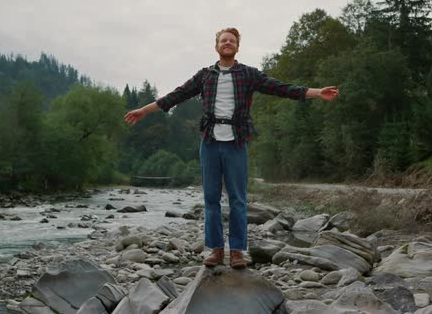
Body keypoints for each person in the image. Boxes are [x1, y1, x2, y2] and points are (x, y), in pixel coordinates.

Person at [124, 27, 338, 269]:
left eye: (232, 41)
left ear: (237, 47)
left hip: (237, 143)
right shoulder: (204, 76)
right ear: (217, 47)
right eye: (223, 40)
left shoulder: (248, 75)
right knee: (211, 199)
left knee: (238, 200)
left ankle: (237, 251)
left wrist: (317, 92)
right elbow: (174, 96)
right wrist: (143, 110)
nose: (227, 43)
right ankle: (215, 250)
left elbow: (283, 88)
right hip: (210, 143)